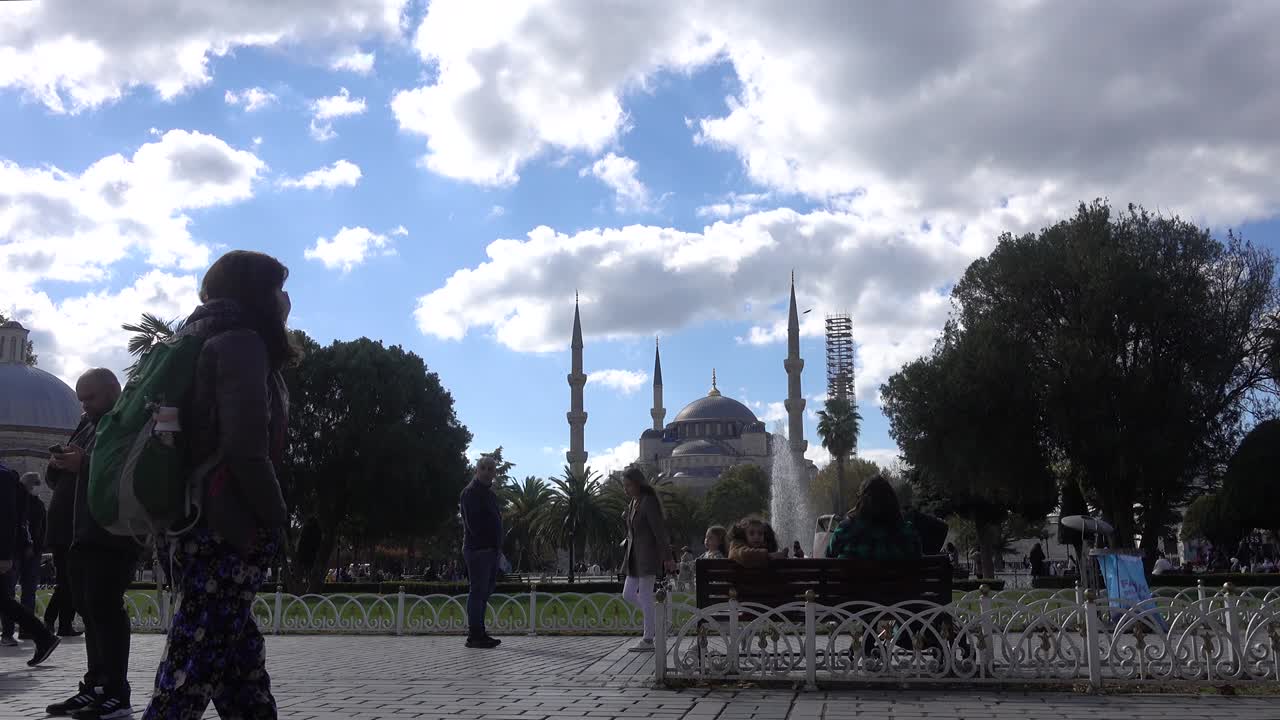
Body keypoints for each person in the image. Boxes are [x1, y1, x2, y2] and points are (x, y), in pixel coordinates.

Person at [142, 250, 295, 720]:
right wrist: (276, 520)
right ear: (258, 294)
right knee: (189, 673)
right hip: (226, 529)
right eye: (279, 289)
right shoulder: (242, 344)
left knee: (240, 669)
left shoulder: (196, 337)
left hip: (192, 522)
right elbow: (246, 449)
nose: (286, 300)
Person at [39, 367, 143, 720]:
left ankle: (116, 693)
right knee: (88, 609)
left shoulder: (126, 421)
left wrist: (83, 463)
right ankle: (95, 686)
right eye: (81, 399)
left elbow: (125, 468)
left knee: (105, 608)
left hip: (109, 534)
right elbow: (59, 478)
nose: (84, 406)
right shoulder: (87, 424)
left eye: (90, 398)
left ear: (112, 391)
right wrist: (59, 463)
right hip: (77, 535)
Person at [0, 462, 59, 666]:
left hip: (10, 552)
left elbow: (9, 519)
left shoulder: (4, 477)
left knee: (6, 599)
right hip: (13, 551)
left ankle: (42, 636)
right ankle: (43, 637)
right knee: (4, 599)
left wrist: (5, 555)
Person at [619, 467, 674, 653]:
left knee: (644, 595)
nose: (626, 489)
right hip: (634, 556)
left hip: (648, 556)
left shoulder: (648, 501)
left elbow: (659, 532)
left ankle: (648, 638)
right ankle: (657, 620)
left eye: (628, 485)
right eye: (624, 486)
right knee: (628, 594)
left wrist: (668, 557)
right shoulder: (634, 503)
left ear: (638, 484)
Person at [460, 455, 503, 649]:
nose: (486, 471)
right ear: (476, 470)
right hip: (478, 550)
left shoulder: (489, 495)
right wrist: (489, 544)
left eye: (490, 469)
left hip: (491, 550)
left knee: (484, 592)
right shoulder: (470, 493)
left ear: (494, 473)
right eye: (483, 468)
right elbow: (474, 525)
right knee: (477, 591)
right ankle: (474, 634)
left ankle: (480, 632)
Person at [826, 474, 922, 561]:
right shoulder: (908, 532)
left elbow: (829, 555)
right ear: (892, 501)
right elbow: (918, 557)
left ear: (862, 501)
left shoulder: (846, 529)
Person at [7, 473, 45, 640]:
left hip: (33, 553)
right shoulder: (17, 501)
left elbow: (42, 529)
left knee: (29, 592)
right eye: (36, 483)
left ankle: (26, 629)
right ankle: (8, 632)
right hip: (17, 552)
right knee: (9, 593)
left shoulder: (39, 504)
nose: (38, 486)